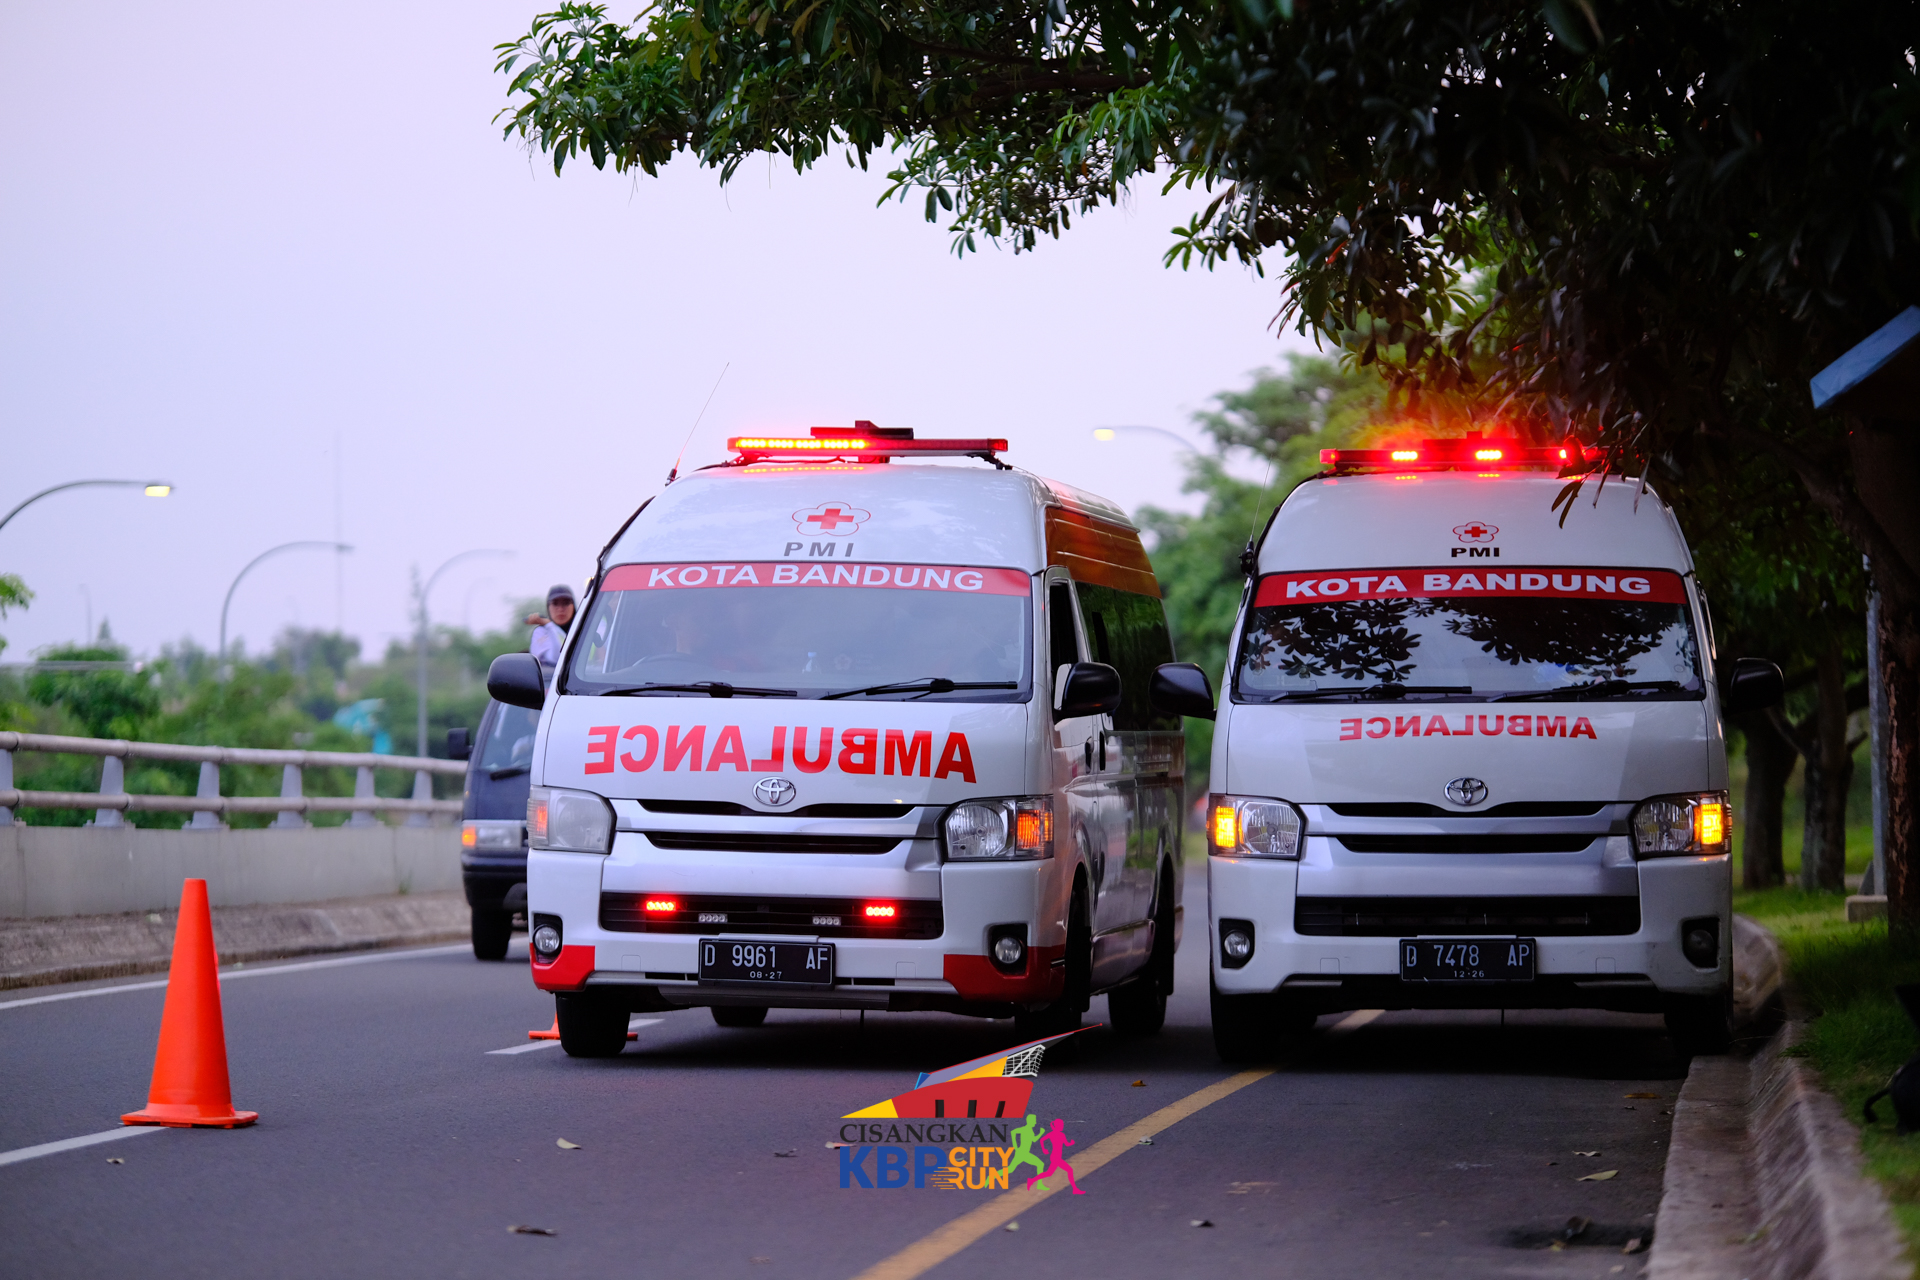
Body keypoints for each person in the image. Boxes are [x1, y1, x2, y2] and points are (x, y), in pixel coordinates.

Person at [526, 584, 575, 666]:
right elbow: (555, 659)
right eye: (555, 603)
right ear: (548, 607)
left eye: (566, 603)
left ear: (573, 606)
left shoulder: (587, 630)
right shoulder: (541, 632)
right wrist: (549, 625)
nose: (560, 609)